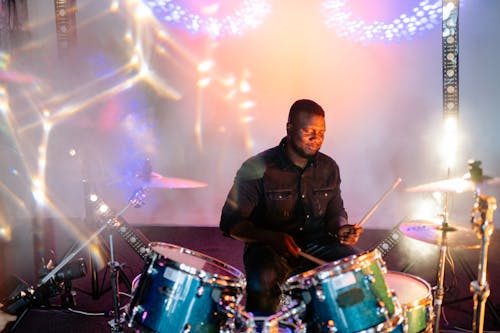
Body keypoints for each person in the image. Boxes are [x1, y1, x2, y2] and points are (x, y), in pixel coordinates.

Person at [219, 98, 363, 319]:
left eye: (322, 132)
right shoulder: (257, 167)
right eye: (309, 131)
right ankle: (264, 323)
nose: (317, 139)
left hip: (317, 245)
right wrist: (272, 237)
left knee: (354, 267)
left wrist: (342, 228)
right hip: (269, 249)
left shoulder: (328, 167)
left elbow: (335, 212)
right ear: (289, 128)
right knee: (264, 277)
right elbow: (230, 223)